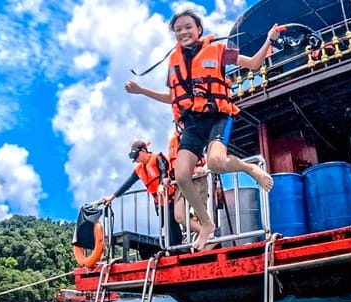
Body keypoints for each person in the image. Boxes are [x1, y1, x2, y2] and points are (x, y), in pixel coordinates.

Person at [124, 10, 276, 251]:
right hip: (193, 123)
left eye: (188, 27)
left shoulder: (218, 51)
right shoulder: (175, 61)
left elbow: (254, 64)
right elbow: (173, 97)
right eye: (178, 29)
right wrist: (142, 91)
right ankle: (206, 223)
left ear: (199, 30)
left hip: (218, 116)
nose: (183, 32)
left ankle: (250, 168)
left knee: (215, 162)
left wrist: (269, 39)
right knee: (182, 174)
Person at [101, 140, 184, 247]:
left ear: (143, 151)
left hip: (170, 197)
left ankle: (177, 247)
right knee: (167, 225)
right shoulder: (139, 169)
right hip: (159, 202)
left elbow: (164, 170)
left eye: (137, 156)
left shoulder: (157, 157)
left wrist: (161, 185)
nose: (136, 160)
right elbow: (127, 184)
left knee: (172, 222)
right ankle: (171, 247)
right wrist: (112, 197)